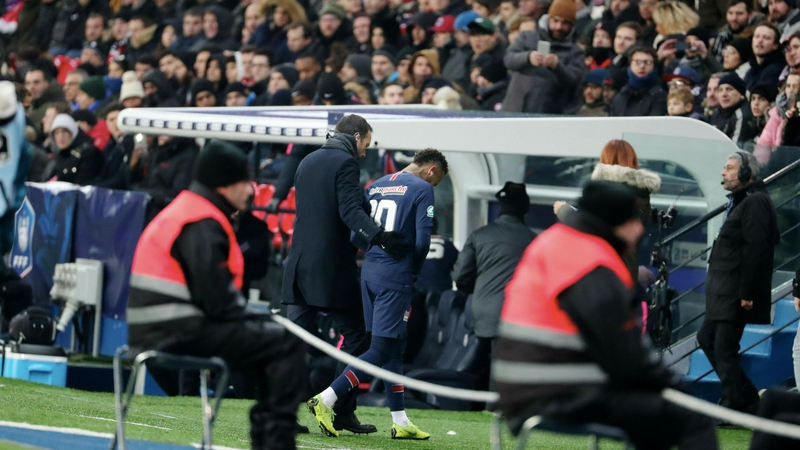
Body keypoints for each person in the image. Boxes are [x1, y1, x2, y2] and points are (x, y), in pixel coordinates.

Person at [494, 181, 719, 450]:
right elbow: (623, 350)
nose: (639, 229)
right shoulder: (590, 261)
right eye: (631, 220)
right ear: (612, 221)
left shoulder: (556, 242)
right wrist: (673, 385)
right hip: (555, 391)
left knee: (652, 414)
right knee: (692, 417)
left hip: (522, 385)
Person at [126, 140, 307, 450]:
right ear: (224, 184)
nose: (251, 190)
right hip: (175, 331)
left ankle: (269, 432)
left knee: (270, 340)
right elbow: (217, 300)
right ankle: (275, 440)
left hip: (156, 328)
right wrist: (256, 319)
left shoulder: (186, 210)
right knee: (284, 344)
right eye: (243, 181)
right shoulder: (201, 222)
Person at [308, 149, 449, 440]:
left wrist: (377, 254)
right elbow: (424, 241)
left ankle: (400, 420)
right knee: (382, 349)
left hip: (370, 272)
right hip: (396, 276)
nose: (434, 186)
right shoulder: (422, 189)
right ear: (432, 170)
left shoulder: (377, 184)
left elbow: (356, 235)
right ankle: (327, 398)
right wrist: (413, 269)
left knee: (393, 345)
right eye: (437, 181)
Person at [282, 115, 409, 435]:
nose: (367, 147)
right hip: (330, 269)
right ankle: (341, 410)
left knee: (294, 343)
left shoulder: (307, 160)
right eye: (367, 140)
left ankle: (284, 415)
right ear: (356, 136)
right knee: (357, 335)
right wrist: (381, 237)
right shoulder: (346, 163)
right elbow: (350, 211)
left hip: (297, 265)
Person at [698, 151, 778, 415]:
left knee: (723, 346)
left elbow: (755, 249)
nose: (724, 172)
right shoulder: (744, 201)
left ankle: (735, 404)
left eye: (730, 168)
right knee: (707, 338)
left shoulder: (756, 202)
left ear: (747, 173)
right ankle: (747, 398)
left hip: (734, 290)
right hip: (723, 288)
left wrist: (746, 292)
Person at [452, 181, 536, 379]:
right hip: (516, 315)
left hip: (480, 312)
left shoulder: (479, 235)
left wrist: (478, 291)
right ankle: (493, 407)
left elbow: (460, 276)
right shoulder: (534, 241)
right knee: (502, 370)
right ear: (525, 210)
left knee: (476, 365)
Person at [502, 0, 584, 114]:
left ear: (572, 25)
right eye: (555, 21)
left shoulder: (575, 52)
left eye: (565, 23)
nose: (558, 27)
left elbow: (573, 82)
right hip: (514, 108)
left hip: (546, 114)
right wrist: (528, 57)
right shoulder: (528, 36)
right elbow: (508, 59)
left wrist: (557, 67)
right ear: (548, 19)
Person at [42, 114, 102, 185]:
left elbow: (83, 183)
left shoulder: (88, 152)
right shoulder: (60, 155)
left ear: (72, 132)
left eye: (65, 131)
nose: (61, 136)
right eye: (57, 133)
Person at [609, 46, 667, 116]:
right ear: (630, 65)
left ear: (654, 66)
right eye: (637, 62)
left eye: (647, 62)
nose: (642, 66)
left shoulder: (661, 96)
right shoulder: (620, 97)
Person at [710, 73, 757, 143]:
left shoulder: (742, 115)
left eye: (729, 89)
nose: (724, 94)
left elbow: (735, 148)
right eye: (720, 90)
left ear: (741, 95)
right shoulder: (717, 113)